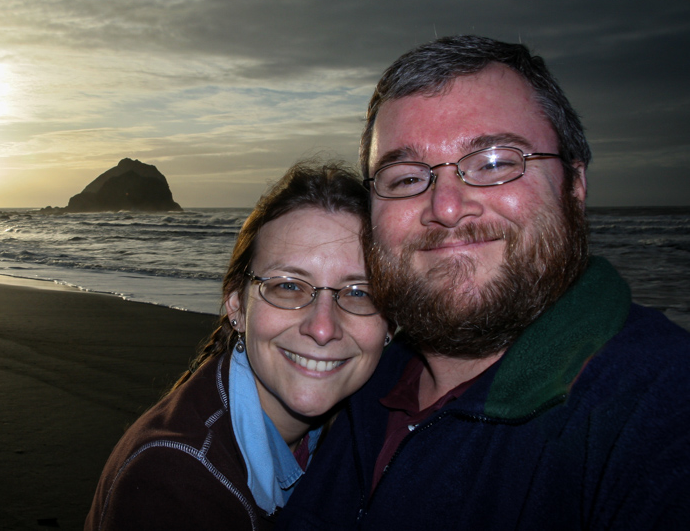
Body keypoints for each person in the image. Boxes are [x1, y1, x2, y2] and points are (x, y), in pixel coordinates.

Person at [277, 35, 690, 530]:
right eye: (407, 178)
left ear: (574, 186)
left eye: (495, 162)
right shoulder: (362, 380)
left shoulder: (659, 404)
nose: (447, 208)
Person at [85, 161, 390, 531]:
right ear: (237, 307)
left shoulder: (363, 432)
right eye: (289, 286)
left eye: (360, 292)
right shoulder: (175, 486)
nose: (323, 328)